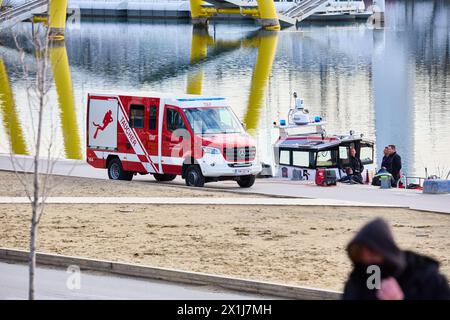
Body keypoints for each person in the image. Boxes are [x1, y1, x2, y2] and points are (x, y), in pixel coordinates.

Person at [343, 218, 450, 300]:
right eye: (361, 255)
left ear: (386, 251)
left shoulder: (426, 278)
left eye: (372, 253)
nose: (368, 260)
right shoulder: (357, 282)